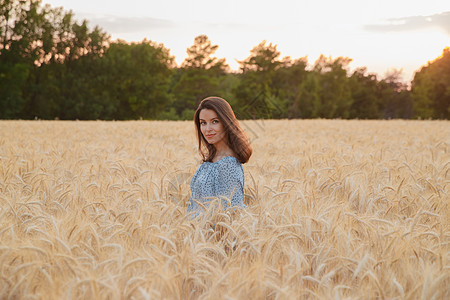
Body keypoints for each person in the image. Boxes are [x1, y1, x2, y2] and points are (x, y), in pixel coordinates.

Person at [187, 96, 252, 217]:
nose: (208, 129)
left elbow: (228, 215)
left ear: (226, 123)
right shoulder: (211, 160)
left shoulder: (228, 165)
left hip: (212, 234)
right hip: (198, 233)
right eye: (203, 123)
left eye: (215, 122)